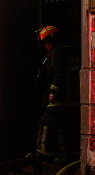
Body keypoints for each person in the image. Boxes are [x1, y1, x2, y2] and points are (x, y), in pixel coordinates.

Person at [34, 25, 80, 163]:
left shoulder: (56, 53)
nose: (46, 46)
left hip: (59, 98)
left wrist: (53, 92)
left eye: (47, 43)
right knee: (63, 125)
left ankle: (43, 152)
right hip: (70, 98)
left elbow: (57, 73)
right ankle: (68, 154)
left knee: (46, 121)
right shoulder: (68, 51)